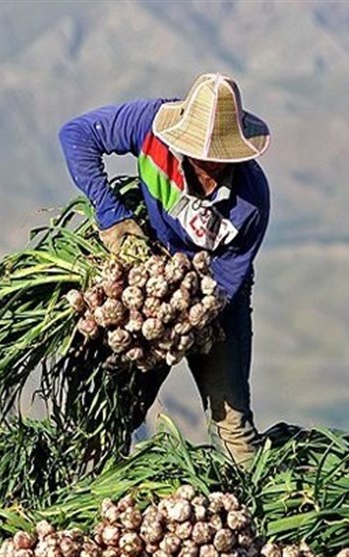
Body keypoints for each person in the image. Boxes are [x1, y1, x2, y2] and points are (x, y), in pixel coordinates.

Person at [58, 72, 271, 465]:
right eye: (199, 153)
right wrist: (113, 218)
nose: (208, 166)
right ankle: (90, 491)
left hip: (213, 301)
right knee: (117, 412)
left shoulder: (251, 203)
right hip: (150, 279)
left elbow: (223, 284)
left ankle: (258, 508)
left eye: (219, 159)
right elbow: (76, 135)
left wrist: (171, 320)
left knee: (233, 426)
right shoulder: (151, 126)